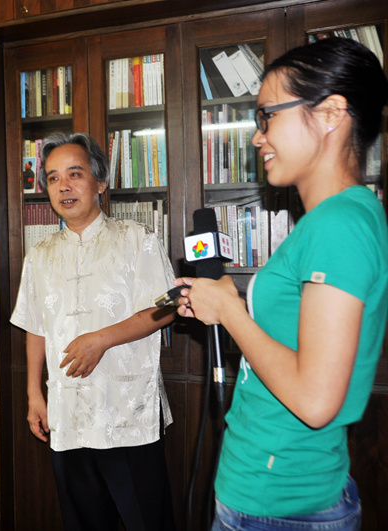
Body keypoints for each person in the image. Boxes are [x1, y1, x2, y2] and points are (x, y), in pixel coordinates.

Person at [174, 37, 388, 531]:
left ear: (330, 113)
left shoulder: (340, 224)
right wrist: (224, 302)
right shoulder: (332, 221)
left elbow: (314, 401)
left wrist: (230, 313)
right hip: (266, 491)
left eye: (268, 116)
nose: (257, 137)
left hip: (279, 504)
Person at [10, 132, 177, 530]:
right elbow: (35, 326)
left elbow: (166, 309)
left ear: (100, 183)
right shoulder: (39, 255)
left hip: (129, 413)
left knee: (147, 522)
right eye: (53, 178)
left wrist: (101, 340)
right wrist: (34, 394)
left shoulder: (137, 239)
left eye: (75, 174)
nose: (63, 186)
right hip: (66, 412)